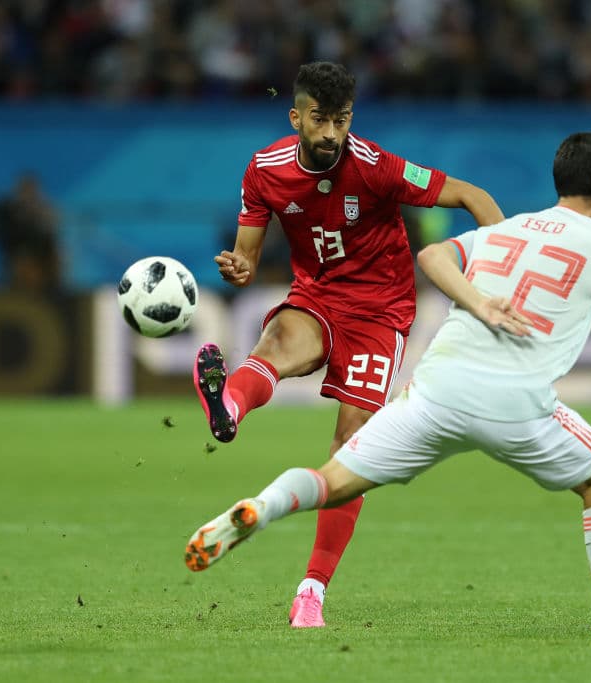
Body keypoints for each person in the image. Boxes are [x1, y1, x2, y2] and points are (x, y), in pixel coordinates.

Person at [185, 131, 591, 647]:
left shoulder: (507, 229)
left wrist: (478, 301)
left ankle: (261, 507)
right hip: (516, 405)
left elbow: (430, 258)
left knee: (332, 480)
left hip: (436, 391)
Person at [188, 61, 505, 628]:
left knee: (351, 449)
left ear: (349, 117)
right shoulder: (265, 170)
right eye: (319, 119)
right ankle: (227, 408)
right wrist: (238, 266)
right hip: (317, 296)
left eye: (340, 120)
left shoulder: (378, 167)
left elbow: (472, 195)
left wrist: (501, 264)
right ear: (297, 117)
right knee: (274, 348)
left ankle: (311, 591)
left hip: (381, 314)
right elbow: (247, 257)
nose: (331, 133)